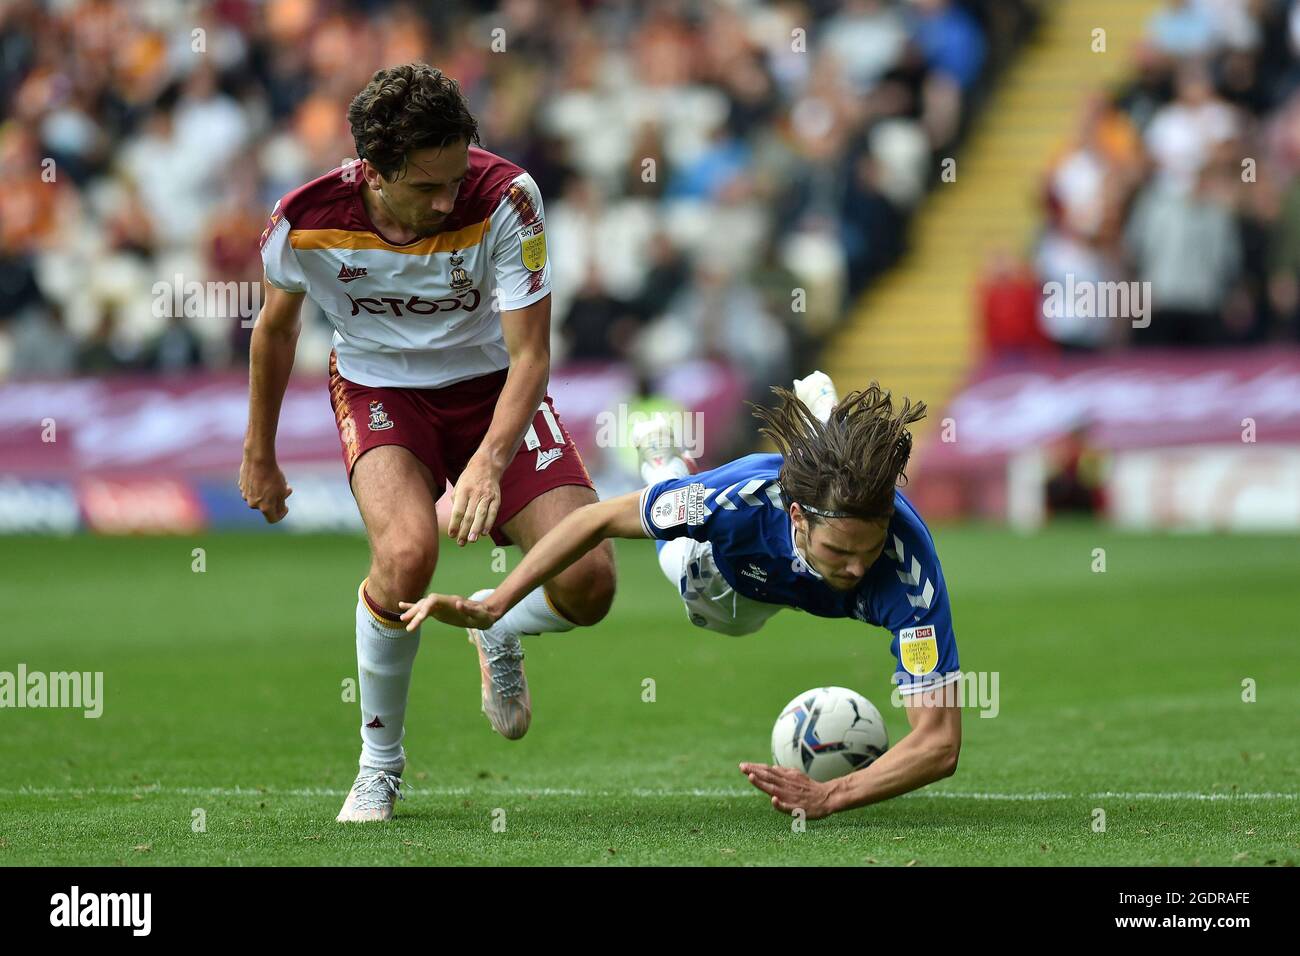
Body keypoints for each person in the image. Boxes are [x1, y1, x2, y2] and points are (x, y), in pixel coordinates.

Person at [238, 63, 616, 823]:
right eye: (427, 187)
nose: (448, 198)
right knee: (407, 555)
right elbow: (277, 331)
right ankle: (380, 766)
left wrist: (486, 464)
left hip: (493, 390)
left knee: (591, 585)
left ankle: (497, 620)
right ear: (373, 172)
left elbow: (533, 357)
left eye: (455, 176)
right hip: (382, 392)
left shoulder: (508, 197)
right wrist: (259, 452)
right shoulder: (304, 219)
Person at [400, 373, 963, 818]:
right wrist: (497, 601)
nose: (860, 566)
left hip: (782, 570)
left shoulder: (907, 569)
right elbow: (594, 521)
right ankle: (664, 466)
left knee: (755, 604)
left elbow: (939, 744)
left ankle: (822, 428)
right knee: (695, 581)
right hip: (732, 573)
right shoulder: (734, 498)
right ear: (797, 517)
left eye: (871, 547)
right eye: (840, 551)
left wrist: (831, 795)